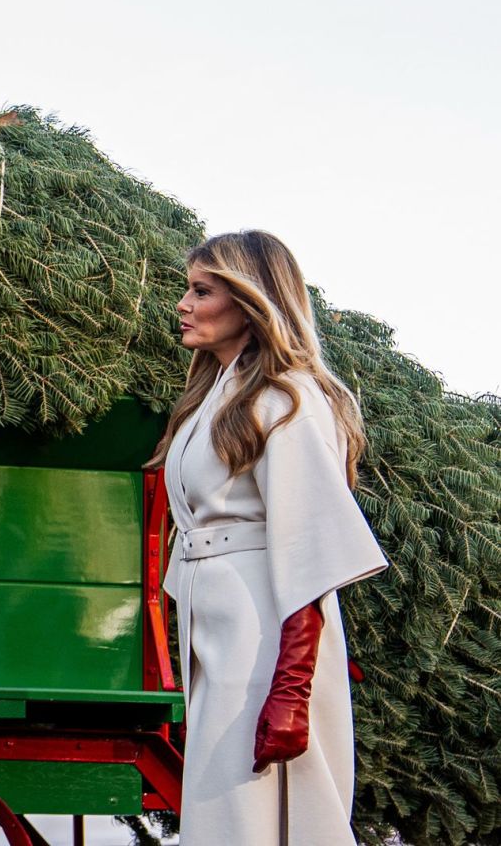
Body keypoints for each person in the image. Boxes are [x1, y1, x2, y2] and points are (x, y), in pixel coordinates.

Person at [150, 230, 387, 844]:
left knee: (265, 814)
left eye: (202, 291)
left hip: (269, 636)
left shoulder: (289, 398)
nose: (183, 303)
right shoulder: (212, 399)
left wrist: (290, 693)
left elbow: (312, 551)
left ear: (251, 301)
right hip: (219, 631)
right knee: (226, 814)